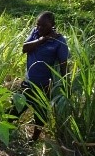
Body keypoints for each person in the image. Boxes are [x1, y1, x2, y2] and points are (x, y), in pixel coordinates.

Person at [16, 11, 69, 142]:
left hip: (44, 86)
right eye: (38, 24)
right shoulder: (35, 33)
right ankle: (5, 135)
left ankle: (33, 140)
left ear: (52, 25)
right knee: (14, 110)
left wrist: (66, 85)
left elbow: (63, 65)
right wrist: (43, 39)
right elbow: (24, 48)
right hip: (28, 83)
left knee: (40, 116)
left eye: (44, 26)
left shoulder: (59, 41)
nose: (40, 28)